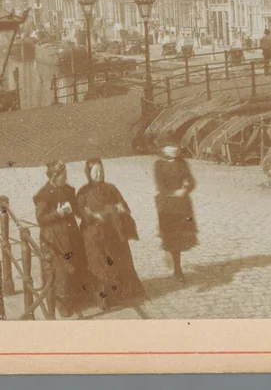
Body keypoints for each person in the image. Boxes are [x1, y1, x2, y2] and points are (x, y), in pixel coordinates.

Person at [76, 158, 145, 309]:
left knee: (116, 263)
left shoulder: (111, 188)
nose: (99, 174)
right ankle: (103, 299)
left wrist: (120, 207)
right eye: (95, 172)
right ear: (88, 173)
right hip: (93, 234)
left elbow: (124, 205)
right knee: (99, 265)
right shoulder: (83, 191)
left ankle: (120, 294)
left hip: (112, 232)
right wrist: (92, 215)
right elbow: (80, 211)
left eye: (101, 170)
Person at [34, 161, 89, 317]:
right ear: (54, 177)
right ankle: (61, 304)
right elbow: (40, 218)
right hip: (54, 239)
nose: (66, 178)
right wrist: (58, 214)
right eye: (62, 176)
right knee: (60, 271)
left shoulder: (68, 190)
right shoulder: (44, 195)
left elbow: (77, 209)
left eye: (66, 175)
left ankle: (75, 299)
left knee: (75, 265)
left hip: (71, 235)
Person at [154, 134, 197, 283]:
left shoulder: (182, 163)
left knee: (180, 237)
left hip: (183, 205)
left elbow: (191, 181)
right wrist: (174, 193)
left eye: (175, 146)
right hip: (167, 206)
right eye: (169, 146)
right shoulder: (159, 165)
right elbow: (161, 186)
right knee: (171, 237)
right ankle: (176, 267)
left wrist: (186, 189)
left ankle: (177, 266)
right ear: (162, 149)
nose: (173, 149)